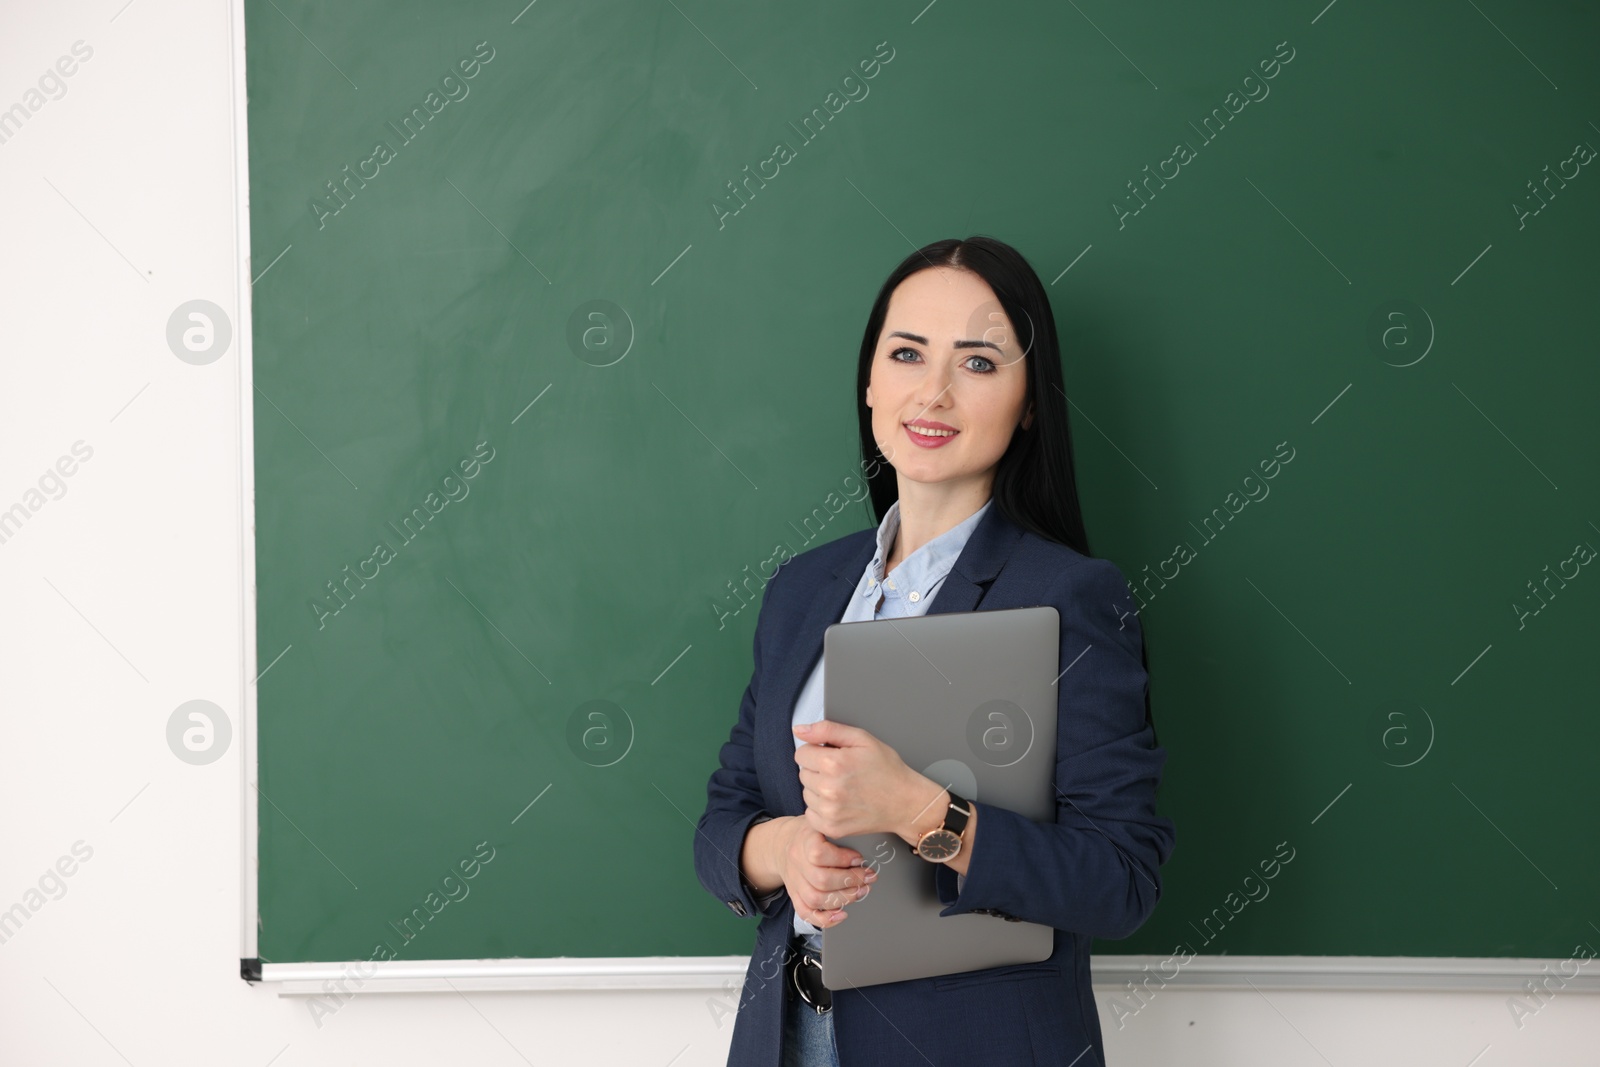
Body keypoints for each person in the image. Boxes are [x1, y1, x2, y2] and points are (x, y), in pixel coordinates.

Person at [694, 235, 1176, 1067]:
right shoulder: (803, 589)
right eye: (908, 353)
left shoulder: (1069, 597)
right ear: (871, 381)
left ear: (1029, 402)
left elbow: (1121, 877)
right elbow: (724, 816)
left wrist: (922, 812)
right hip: (788, 1036)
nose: (935, 391)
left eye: (980, 363)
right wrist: (784, 852)